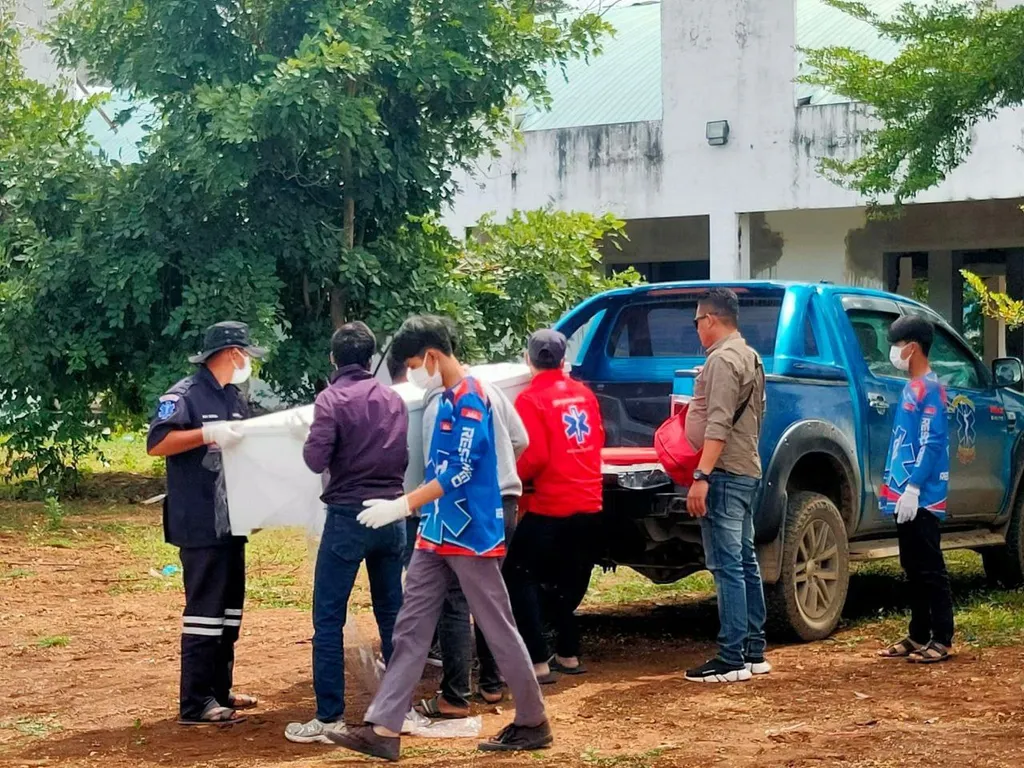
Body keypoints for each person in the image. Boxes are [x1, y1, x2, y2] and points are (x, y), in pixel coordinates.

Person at [326, 315, 551, 760]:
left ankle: (533, 719)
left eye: (412, 365)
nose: (411, 375)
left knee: (496, 625)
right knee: (411, 627)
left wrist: (403, 504)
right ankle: (383, 727)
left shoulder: (471, 399)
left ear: (431, 356)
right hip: (437, 530)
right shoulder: (447, 396)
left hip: (470, 532)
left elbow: (460, 470)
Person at [284, 322, 411, 744]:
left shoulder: (332, 399)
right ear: (371, 358)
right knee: (393, 617)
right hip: (391, 514)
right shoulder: (393, 399)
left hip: (348, 517)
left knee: (328, 619)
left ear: (334, 359)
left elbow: (315, 459)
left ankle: (330, 718)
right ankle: (399, 710)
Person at [146, 321, 265, 726]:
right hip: (197, 521)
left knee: (229, 612)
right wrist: (205, 433)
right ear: (231, 353)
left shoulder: (233, 396)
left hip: (231, 520)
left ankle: (219, 690)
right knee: (205, 612)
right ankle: (195, 702)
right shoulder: (185, 395)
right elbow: (157, 443)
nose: (248, 362)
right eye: (245, 354)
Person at [418, 322, 529, 717]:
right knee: (492, 594)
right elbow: (521, 439)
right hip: (507, 500)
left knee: (455, 598)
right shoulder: (489, 389)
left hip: (466, 510)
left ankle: (454, 695)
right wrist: (498, 469)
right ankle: (493, 684)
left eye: (414, 362)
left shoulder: (440, 402)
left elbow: (440, 470)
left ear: (431, 357)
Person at [504, 329, 604, 681]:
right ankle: (569, 653)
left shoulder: (530, 399)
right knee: (566, 579)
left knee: (517, 575)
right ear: (563, 361)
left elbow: (533, 457)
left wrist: (507, 475)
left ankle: (537, 661)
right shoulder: (584, 395)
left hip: (551, 505)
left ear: (528, 360)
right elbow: (598, 440)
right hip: (589, 503)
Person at [683, 288, 769, 684]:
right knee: (745, 560)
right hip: (746, 467)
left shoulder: (721, 361)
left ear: (711, 319)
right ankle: (753, 650)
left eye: (697, 321)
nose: (697, 329)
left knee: (727, 564)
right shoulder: (749, 355)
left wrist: (701, 476)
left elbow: (717, 423)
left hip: (724, 473)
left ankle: (731, 656)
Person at [877, 316, 954, 663]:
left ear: (913, 347)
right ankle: (917, 632)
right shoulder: (910, 387)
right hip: (902, 493)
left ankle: (942, 637)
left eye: (897, 344)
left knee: (930, 565)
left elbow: (932, 441)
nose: (893, 351)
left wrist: (914, 488)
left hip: (922, 494)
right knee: (911, 564)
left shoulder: (932, 389)